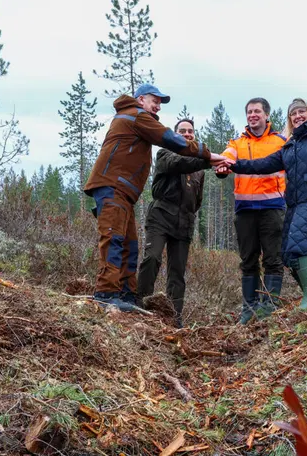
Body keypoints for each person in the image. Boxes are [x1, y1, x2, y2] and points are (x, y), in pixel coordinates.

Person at [84, 84, 229, 311]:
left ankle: (126, 296)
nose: (158, 105)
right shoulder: (136, 115)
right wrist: (209, 156)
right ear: (141, 99)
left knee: (129, 245)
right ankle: (106, 293)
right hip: (113, 187)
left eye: (160, 102)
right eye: (155, 100)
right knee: (114, 240)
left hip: (124, 193)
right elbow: (169, 139)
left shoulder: (136, 117)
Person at [219, 98, 307, 311]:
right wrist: (234, 166)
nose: (297, 116)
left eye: (301, 111)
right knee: (288, 252)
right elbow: (263, 164)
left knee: (297, 245)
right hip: (297, 202)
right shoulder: (291, 144)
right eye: (293, 113)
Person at [136, 117, 211, 328]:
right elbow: (179, 163)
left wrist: (207, 162)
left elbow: (198, 200)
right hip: (161, 216)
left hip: (184, 222)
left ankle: (174, 316)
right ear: (175, 134)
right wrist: (209, 159)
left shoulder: (199, 170)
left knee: (177, 272)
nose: (187, 134)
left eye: (191, 132)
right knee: (151, 258)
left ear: (194, 136)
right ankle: (141, 303)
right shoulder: (164, 153)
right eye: (182, 131)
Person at [221, 98, 288, 324]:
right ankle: (249, 308)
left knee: (273, 259)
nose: (253, 115)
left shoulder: (281, 141)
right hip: (245, 210)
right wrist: (222, 167)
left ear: (267, 115)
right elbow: (226, 158)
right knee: (248, 260)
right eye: (249, 112)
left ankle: (269, 308)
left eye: (257, 111)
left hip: (273, 209)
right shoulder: (237, 143)